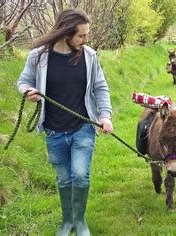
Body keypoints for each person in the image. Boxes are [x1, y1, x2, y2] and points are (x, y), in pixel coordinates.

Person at [16, 9, 113, 236]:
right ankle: (67, 221)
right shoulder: (38, 57)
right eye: (82, 35)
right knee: (63, 177)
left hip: (83, 128)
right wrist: (27, 90)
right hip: (53, 131)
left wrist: (105, 115)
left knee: (80, 174)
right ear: (65, 33)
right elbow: (23, 81)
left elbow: (101, 87)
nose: (85, 40)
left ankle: (80, 222)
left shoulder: (89, 56)